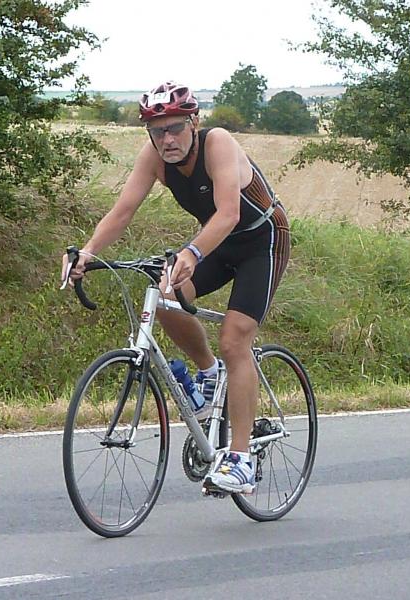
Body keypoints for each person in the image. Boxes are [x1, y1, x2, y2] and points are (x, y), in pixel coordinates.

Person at [61, 82, 290, 495]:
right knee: (164, 296)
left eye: (175, 128)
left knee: (234, 339)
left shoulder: (217, 143)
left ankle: (241, 459)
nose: (167, 139)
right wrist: (89, 251)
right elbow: (123, 210)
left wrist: (192, 253)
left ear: (194, 123)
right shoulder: (154, 157)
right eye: (157, 130)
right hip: (217, 244)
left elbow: (228, 213)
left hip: (262, 240)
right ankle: (209, 373)